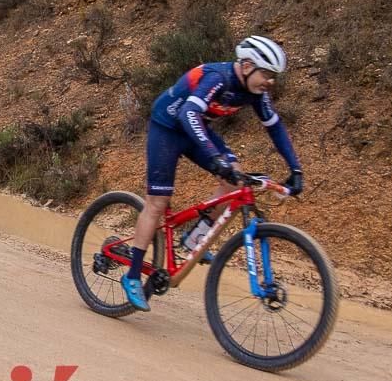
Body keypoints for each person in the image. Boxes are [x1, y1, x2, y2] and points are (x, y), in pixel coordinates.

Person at [119, 36, 304, 312]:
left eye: (274, 76)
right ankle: (132, 275)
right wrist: (214, 157)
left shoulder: (256, 93)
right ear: (247, 65)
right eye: (266, 73)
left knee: (235, 179)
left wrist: (295, 168)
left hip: (196, 128)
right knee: (157, 203)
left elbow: (274, 127)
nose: (270, 81)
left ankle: (195, 236)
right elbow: (188, 113)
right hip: (168, 127)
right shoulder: (218, 77)